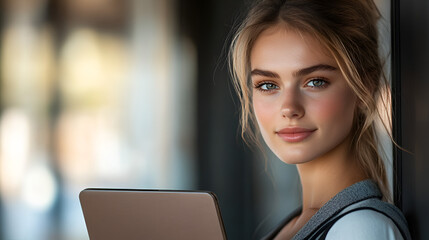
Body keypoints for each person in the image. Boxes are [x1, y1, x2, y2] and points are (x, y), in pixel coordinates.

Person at [229, 0, 411, 239]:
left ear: (365, 88)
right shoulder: (292, 226)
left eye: (315, 82)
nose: (289, 108)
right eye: (268, 85)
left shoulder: (360, 229)